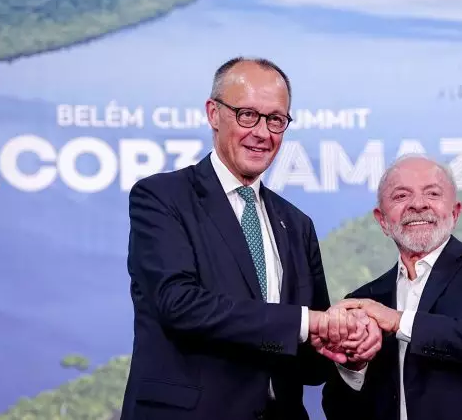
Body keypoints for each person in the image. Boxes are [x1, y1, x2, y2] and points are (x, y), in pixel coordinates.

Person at [120, 57, 380, 420]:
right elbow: (178, 303)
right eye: (247, 115)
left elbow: (309, 362)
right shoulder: (163, 197)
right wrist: (307, 322)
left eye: (275, 120)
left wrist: (346, 350)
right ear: (213, 113)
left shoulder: (296, 224)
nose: (262, 132)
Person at [321, 154, 462, 420]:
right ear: (382, 220)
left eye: (432, 194)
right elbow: (338, 411)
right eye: (401, 196)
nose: (418, 204)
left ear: (455, 213)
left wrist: (398, 321)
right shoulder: (364, 301)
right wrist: (355, 365)